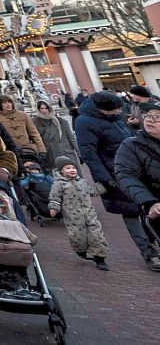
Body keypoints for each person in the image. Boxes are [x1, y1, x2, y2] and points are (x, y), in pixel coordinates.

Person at [75, 91, 154, 265]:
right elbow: (89, 153)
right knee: (131, 213)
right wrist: (105, 179)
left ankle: (153, 242)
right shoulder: (84, 122)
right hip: (114, 173)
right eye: (116, 109)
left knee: (150, 208)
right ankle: (149, 253)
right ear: (103, 109)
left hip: (138, 169)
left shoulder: (115, 118)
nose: (120, 111)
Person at [114, 102, 160, 271]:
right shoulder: (131, 146)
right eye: (147, 116)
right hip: (155, 204)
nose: (150, 120)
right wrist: (149, 202)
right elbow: (126, 176)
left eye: (157, 117)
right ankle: (150, 253)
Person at [48, 156, 110, 271]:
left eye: (73, 168)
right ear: (61, 170)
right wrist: (54, 208)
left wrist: (105, 186)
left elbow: (93, 191)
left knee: (97, 235)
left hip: (90, 214)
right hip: (73, 217)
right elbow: (55, 197)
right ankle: (80, 250)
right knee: (78, 237)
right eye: (68, 168)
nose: (72, 170)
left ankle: (100, 259)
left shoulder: (82, 182)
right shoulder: (58, 184)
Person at [33, 99, 79, 169]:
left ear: (49, 108)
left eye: (46, 108)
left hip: (65, 152)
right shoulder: (35, 123)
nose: (44, 110)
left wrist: (79, 154)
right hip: (50, 154)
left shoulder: (61, 121)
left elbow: (71, 138)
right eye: (41, 108)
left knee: (72, 174)